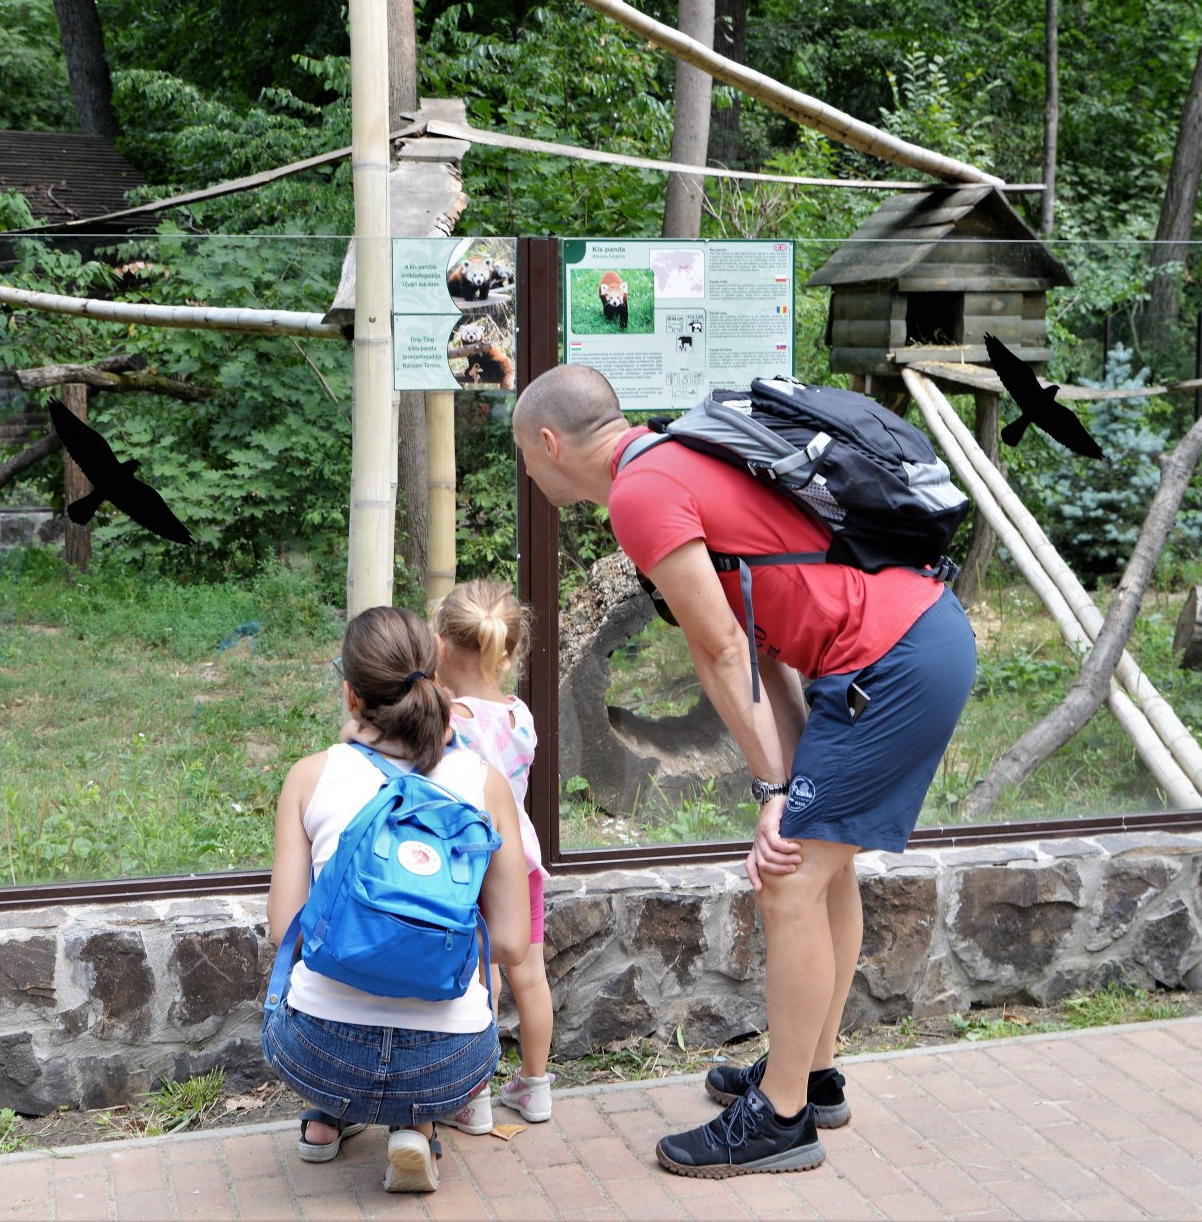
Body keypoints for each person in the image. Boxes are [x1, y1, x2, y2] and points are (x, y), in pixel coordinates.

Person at [512, 364, 976, 1179]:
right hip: (892, 650)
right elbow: (761, 642)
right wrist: (789, 781)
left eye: (525, 454)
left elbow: (720, 649)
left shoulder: (641, 492)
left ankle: (782, 1119)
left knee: (789, 879)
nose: (528, 471)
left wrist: (772, 791)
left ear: (550, 443)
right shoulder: (677, 458)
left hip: (893, 659)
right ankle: (814, 1074)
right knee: (822, 874)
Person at [263, 605, 530, 1193]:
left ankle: (324, 1117)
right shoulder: (483, 782)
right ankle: (418, 1121)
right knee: (448, 997)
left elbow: (285, 929)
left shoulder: (310, 776)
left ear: (350, 695)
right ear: (434, 680)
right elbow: (510, 942)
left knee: (312, 974)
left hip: (318, 1054)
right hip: (450, 1064)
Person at [429, 580, 556, 1133]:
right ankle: (536, 1087)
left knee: (481, 979)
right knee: (530, 974)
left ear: (442, 645)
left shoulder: (447, 719)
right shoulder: (518, 714)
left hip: (468, 863)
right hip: (521, 859)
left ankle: (472, 1096)